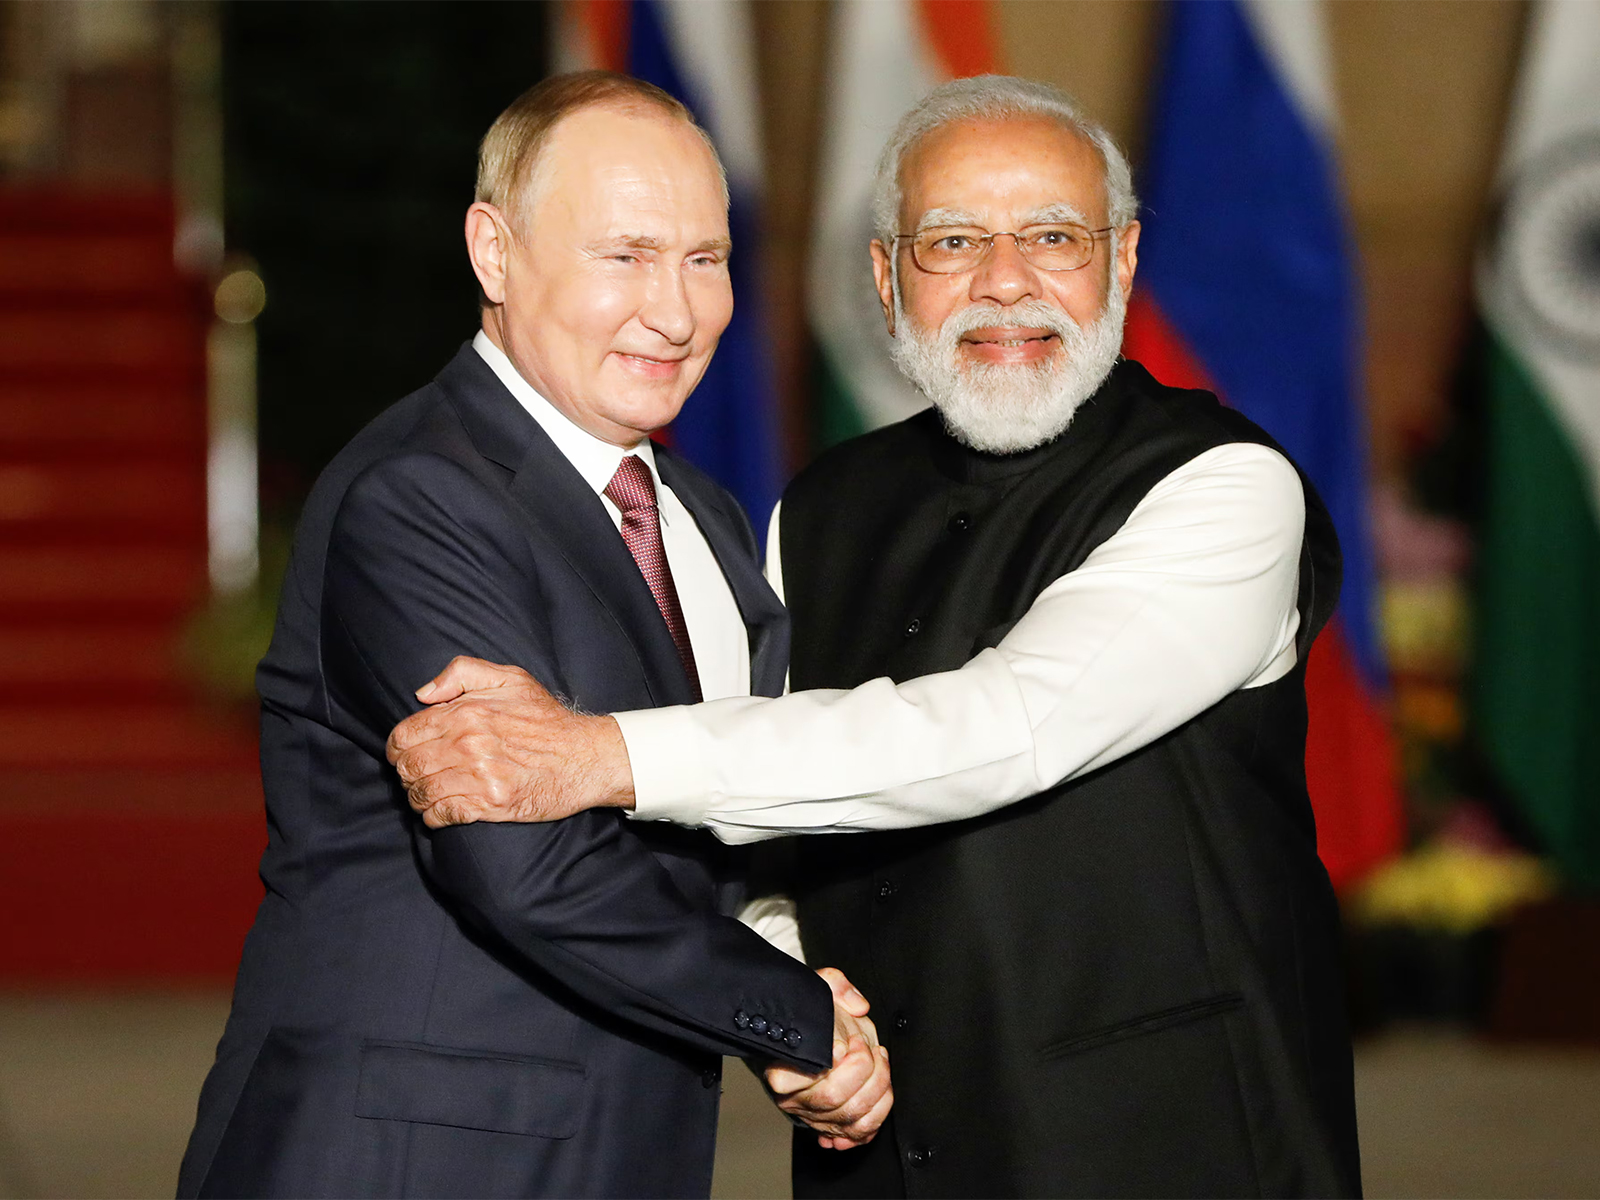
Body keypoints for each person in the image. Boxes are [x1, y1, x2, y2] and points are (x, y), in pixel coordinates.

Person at [390, 75, 1361, 1198]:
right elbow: (769, 834)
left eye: (1054, 236)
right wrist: (801, 1011)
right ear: (884, 275)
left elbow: (1010, 726)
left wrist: (599, 755)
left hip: (1168, 1147)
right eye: (952, 241)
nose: (1008, 282)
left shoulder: (1224, 487)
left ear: (1124, 260)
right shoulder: (820, 509)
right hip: (881, 1156)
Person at [177, 72, 892, 1200]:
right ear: (494, 253)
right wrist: (798, 1019)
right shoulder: (420, 495)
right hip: (411, 1157)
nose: (676, 309)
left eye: (704, 259)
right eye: (625, 255)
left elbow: (715, 836)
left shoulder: (697, 515)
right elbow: (527, 866)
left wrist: (796, 978)